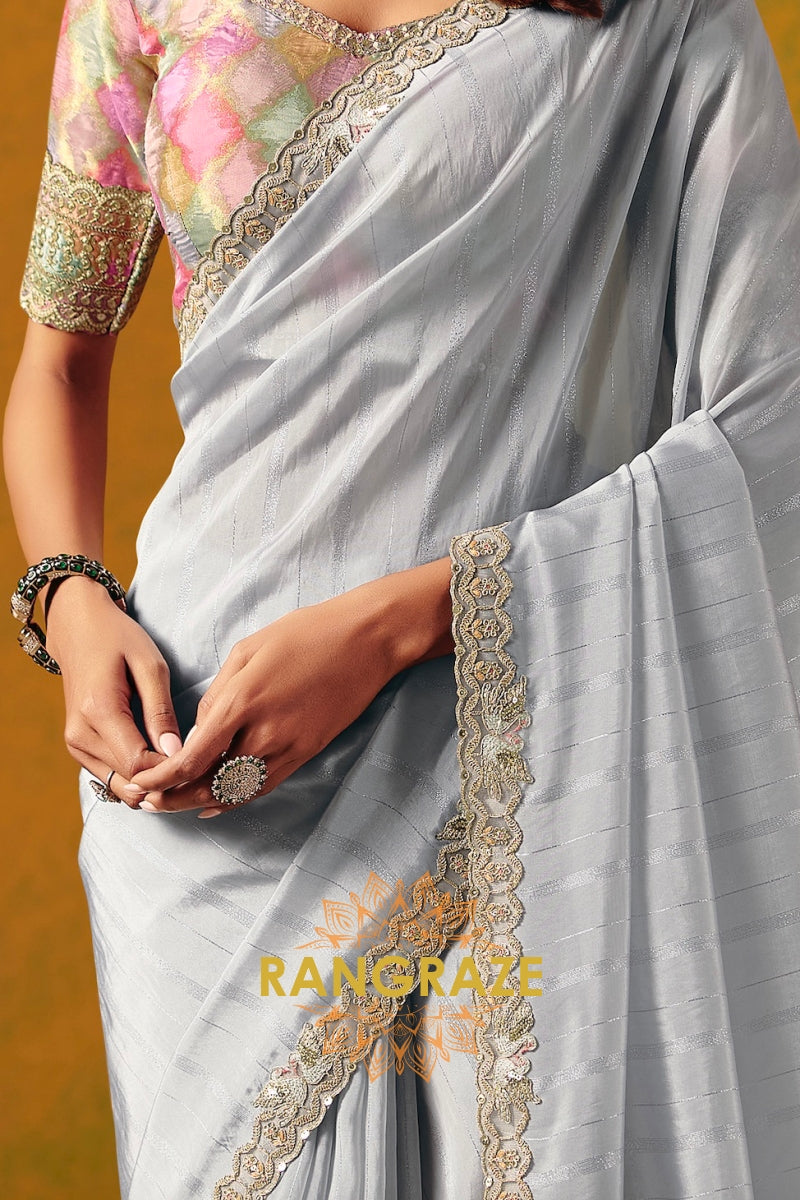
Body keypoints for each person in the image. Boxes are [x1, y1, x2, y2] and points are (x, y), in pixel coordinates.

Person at [4, 0, 800, 1195]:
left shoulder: (656, 20)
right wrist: (70, 602)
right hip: (203, 775)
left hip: (515, 738)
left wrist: (398, 625)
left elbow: (770, 420)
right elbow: (59, 366)